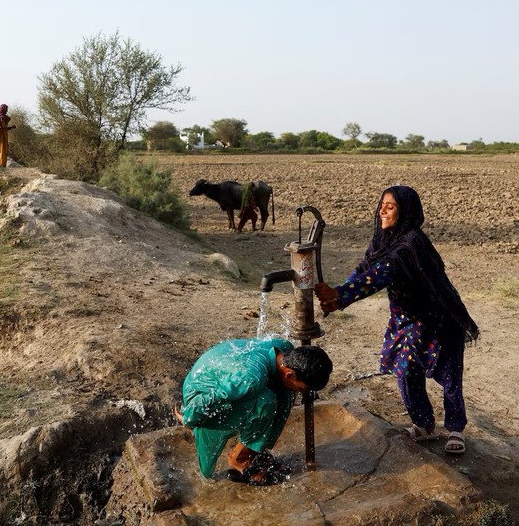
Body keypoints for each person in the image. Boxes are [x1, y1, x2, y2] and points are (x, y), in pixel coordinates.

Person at [314, 185, 479, 455]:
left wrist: (341, 295)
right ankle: (424, 424)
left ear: (406, 211)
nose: (382, 210)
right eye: (382, 204)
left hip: (439, 317)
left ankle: (455, 428)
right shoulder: (383, 240)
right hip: (407, 320)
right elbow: (364, 269)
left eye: (390, 206)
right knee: (405, 371)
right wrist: (339, 295)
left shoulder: (410, 243)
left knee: (450, 374)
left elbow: (381, 273)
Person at [175, 337, 333, 485]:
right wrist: (190, 417)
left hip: (229, 380)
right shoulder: (251, 379)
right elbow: (215, 396)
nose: (301, 392)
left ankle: (256, 450)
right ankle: (240, 459)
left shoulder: (285, 351)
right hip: (201, 391)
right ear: (290, 374)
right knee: (266, 401)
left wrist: (306, 389)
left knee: (286, 394)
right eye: (302, 388)